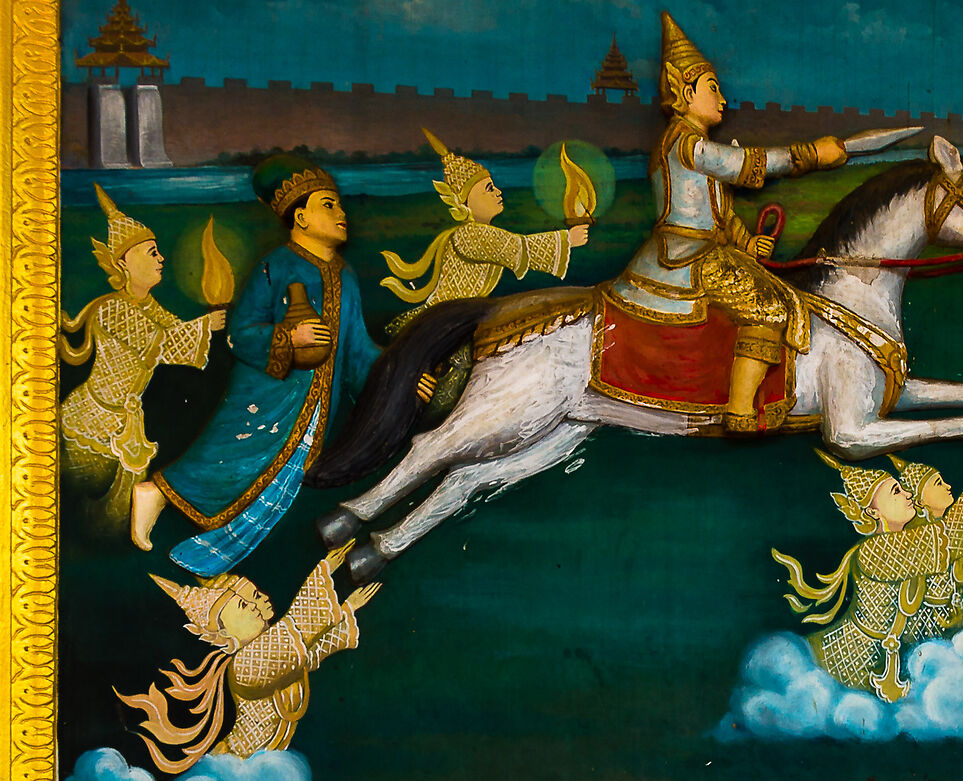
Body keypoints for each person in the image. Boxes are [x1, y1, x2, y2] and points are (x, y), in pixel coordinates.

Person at [135, 154, 386, 574]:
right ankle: (156, 492)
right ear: (301, 217)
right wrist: (291, 337)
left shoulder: (346, 277)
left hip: (314, 411)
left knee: (279, 483)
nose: (342, 213)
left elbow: (358, 349)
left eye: (340, 205)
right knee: (229, 459)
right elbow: (242, 333)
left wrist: (397, 379)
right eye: (329, 205)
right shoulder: (276, 265)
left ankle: (213, 557)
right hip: (265, 398)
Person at [606, 13, 849, 433]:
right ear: (684, 92)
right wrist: (814, 154)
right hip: (683, 257)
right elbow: (745, 165)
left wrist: (744, 241)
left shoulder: (693, 146)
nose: (723, 100)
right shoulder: (687, 143)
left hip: (703, 249)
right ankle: (739, 410)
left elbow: (715, 210)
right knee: (769, 306)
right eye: (713, 89)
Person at [773, 439, 963, 700]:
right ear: (872, 512)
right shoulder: (875, 552)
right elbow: (952, 536)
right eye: (896, 491)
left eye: (904, 488)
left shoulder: (917, 538)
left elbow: (960, 534)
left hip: (894, 663)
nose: (907, 495)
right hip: (850, 662)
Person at [58, 185, 226, 540]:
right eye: (152, 253)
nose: (161, 258)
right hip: (89, 424)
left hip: (127, 423)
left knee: (116, 517)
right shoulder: (114, 309)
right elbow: (160, 343)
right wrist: (205, 326)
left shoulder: (148, 307)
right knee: (77, 514)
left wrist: (211, 324)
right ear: (123, 263)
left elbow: (175, 331)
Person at [117, 547, 378, 773]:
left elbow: (306, 655)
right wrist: (320, 574)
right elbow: (294, 629)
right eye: (243, 605)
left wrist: (346, 610)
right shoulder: (243, 665)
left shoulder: (272, 651)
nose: (256, 606)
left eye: (251, 598)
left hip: (258, 764)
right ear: (221, 632)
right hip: (240, 764)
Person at [381, 129, 588, 311]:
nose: (498, 192)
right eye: (489, 189)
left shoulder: (473, 232)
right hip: (446, 324)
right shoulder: (471, 234)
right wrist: (568, 239)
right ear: (465, 203)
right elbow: (517, 247)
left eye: (494, 186)